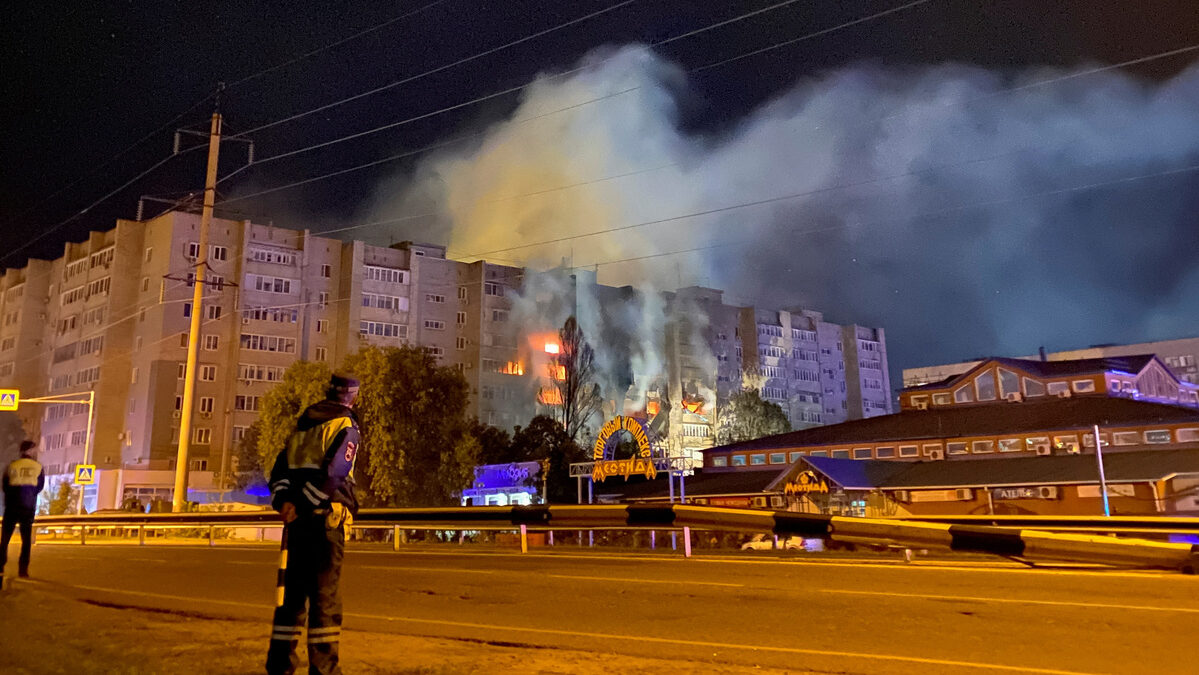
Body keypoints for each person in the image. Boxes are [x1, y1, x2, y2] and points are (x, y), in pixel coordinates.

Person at [266, 374, 362, 675]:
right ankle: (325, 670)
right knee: (325, 599)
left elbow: (280, 469)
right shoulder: (345, 425)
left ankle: (280, 666)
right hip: (324, 522)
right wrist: (307, 504)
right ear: (353, 397)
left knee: (291, 599)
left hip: (296, 523)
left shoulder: (302, 424)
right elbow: (335, 473)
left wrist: (285, 502)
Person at [2, 440, 44, 579]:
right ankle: (23, 570)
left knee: (5, 539)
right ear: (30, 451)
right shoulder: (38, 467)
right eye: (34, 449)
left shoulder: (12, 466)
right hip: (27, 507)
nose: (36, 452)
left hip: (12, 507)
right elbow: (39, 487)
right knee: (26, 540)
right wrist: (29, 495)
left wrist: (12, 496)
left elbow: (4, 485)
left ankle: (0, 566)